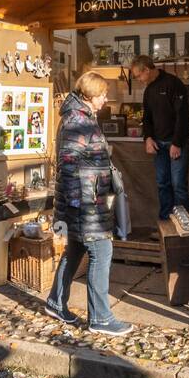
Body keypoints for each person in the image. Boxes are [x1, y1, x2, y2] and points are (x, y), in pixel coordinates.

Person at [45, 72, 132, 336]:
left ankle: (55, 301)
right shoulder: (77, 121)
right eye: (103, 94)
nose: (106, 99)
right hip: (85, 203)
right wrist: (77, 203)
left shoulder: (81, 118)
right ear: (91, 95)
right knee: (102, 252)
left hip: (84, 198)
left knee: (76, 250)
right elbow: (68, 164)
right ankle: (101, 318)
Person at [131, 55, 189, 221]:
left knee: (178, 185)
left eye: (138, 75)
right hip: (159, 144)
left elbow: (183, 116)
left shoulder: (174, 84)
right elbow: (147, 118)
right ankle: (165, 221)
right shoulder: (149, 90)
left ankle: (183, 224)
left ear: (147, 70)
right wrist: (148, 138)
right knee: (162, 184)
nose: (138, 79)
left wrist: (177, 143)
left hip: (176, 143)